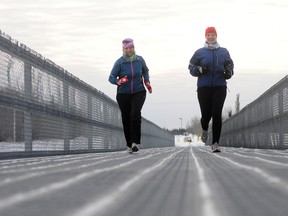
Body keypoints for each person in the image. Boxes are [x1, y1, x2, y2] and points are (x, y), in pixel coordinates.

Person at [188, 27, 234, 153]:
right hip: (204, 87)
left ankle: (215, 143)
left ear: (216, 36)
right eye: (208, 35)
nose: (210, 37)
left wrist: (229, 72)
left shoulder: (224, 52)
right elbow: (191, 67)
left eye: (212, 34)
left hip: (220, 86)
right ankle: (204, 128)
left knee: (217, 113)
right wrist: (199, 70)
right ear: (205, 37)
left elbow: (230, 65)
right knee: (206, 115)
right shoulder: (199, 52)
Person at [109, 38, 152, 154]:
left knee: (135, 114)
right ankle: (129, 144)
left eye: (131, 47)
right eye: (127, 48)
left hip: (139, 91)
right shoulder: (120, 62)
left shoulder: (140, 60)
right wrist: (118, 81)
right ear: (123, 49)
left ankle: (135, 143)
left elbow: (145, 71)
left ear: (134, 48)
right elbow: (111, 77)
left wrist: (147, 82)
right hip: (123, 94)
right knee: (126, 118)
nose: (129, 50)